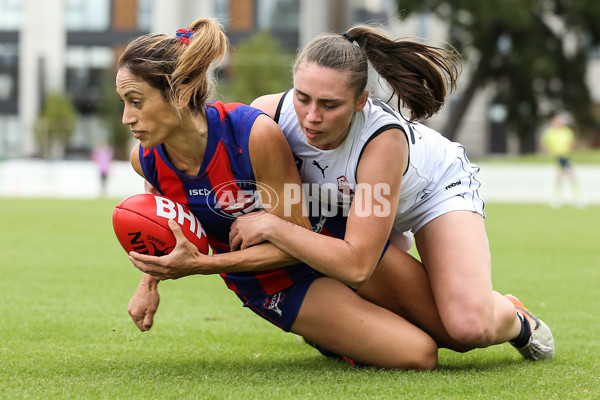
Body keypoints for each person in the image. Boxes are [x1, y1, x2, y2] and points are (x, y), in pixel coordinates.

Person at [127, 24, 553, 363]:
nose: (311, 117)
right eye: (303, 97)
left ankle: (515, 318)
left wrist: (270, 224)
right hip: (349, 211)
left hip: (430, 194)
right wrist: (153, 277)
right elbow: (179, 197)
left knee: (466, 329)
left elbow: (355, 265)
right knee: (416, 340)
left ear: (360, 101)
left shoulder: (381, 141)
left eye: (329, 105)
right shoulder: (269, 116)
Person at [541, 114, 583, 208]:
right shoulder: (550, 132)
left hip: (566, 156)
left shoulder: (567, 132)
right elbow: (545, 144)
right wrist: (551, 151)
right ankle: (557, 197)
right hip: (555, 157)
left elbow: (572, 143)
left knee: (571, 176)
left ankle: (576, 197)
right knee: (560, 177)